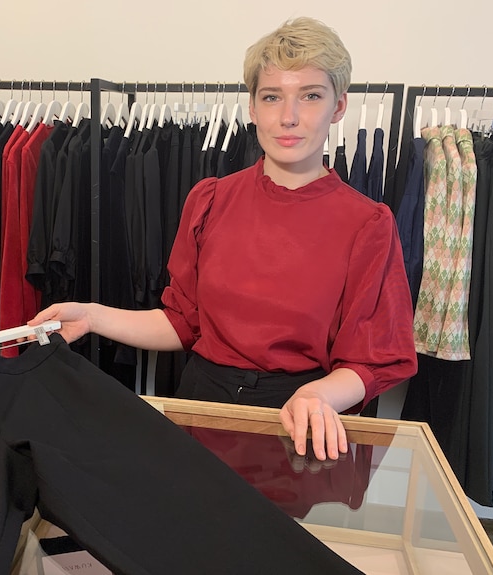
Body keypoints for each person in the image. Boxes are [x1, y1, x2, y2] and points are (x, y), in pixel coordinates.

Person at [29, 17, 417, 463]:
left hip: (298, 417)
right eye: (272, 97)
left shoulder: (367, 223)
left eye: (310, 96)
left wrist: (321, 395)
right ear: (252, 107)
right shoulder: (210, 200)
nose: (288, 117)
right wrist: (93, 315)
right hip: (201, 405)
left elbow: (375, 359)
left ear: (339, 106)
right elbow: (182, 322)